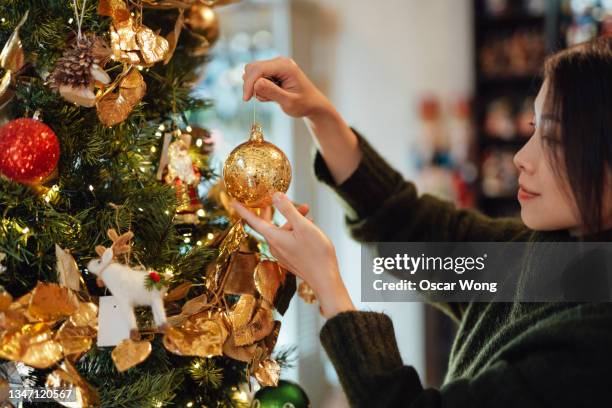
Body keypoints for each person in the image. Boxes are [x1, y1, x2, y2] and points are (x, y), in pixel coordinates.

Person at [232, 37, 612, 407]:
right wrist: (319, 114)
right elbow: (412, 230)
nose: (521, 159)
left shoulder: (594, 342)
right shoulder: (554, 250)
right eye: (535, 130)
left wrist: (328, 285)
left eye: (556, 139)